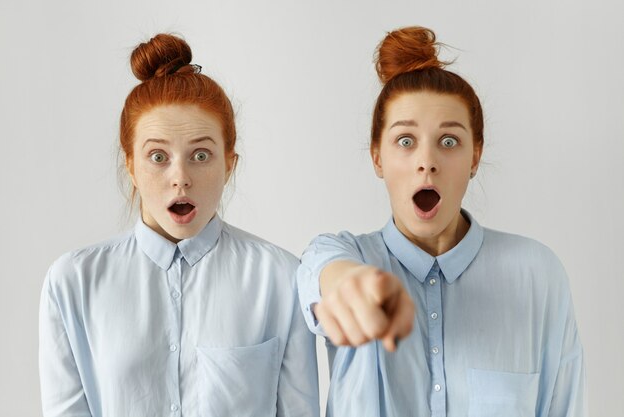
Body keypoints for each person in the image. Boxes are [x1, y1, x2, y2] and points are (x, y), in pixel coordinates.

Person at [297, 26, 585, 417]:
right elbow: (320, 270)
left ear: (475, 158)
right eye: (405, 141)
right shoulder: (347, 254)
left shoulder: (537, 273)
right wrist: (349, 283)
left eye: (449, 142)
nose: (427, 161)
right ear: (378, 157)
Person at [39, 33, 319, 417]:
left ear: (229, 164)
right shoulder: (73, 282)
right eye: (158, 156)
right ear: (131, 167)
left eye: (200, 155)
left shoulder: (283, 279)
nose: (180, 178)